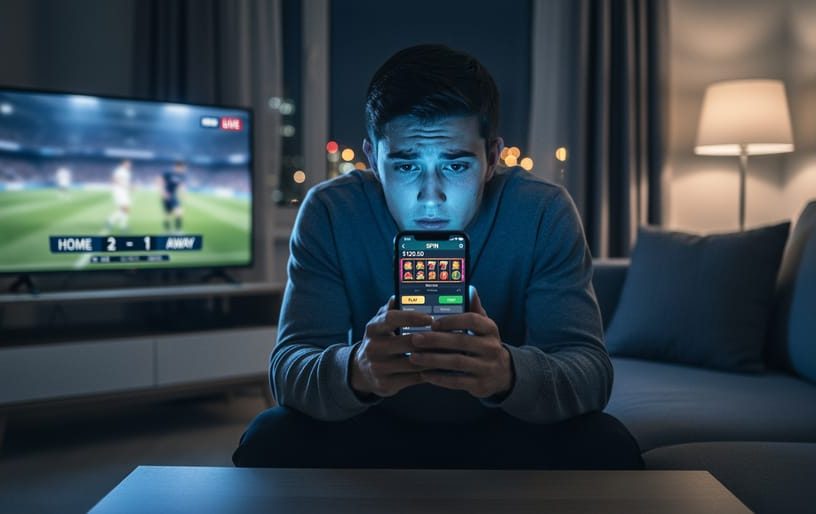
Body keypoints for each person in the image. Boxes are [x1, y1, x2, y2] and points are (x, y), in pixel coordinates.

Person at [233, 44, 643, 470]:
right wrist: (357, 369)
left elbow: (591, 372)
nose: (431, 198)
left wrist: (507, 372)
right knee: (269, 437)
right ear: (373, 159)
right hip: (373, 423)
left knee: (608, 444)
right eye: (406, 166)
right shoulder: (331, 211)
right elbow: (289, 368)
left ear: (491, 159)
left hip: (507, 425)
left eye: (456, 166)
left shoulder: (542, 211)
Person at [159, 160, 186, 233]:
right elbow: (160, 181)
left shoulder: (181, 176)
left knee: (179, 212)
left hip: (173, 195)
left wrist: (183, 193)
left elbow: (180, 185)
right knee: (167, 214)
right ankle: (167, 230)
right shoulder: (168, 173)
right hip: (166, 195)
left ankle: (178, 230)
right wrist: (163, 192)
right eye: (182, 168)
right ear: (178, 167)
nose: (183, 170)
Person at [107, 159, 132, 231]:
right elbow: (115, 179)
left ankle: (111, 221)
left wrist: (129, 187)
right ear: (124, 164)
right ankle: (121, 225)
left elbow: (126, 182)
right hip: (119, 192)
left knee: (125, 209)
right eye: (128, 164)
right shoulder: (119, 170)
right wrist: (124, 186)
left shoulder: (127, 172)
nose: (129, 165)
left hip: (124, 191)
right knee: (125, 208)